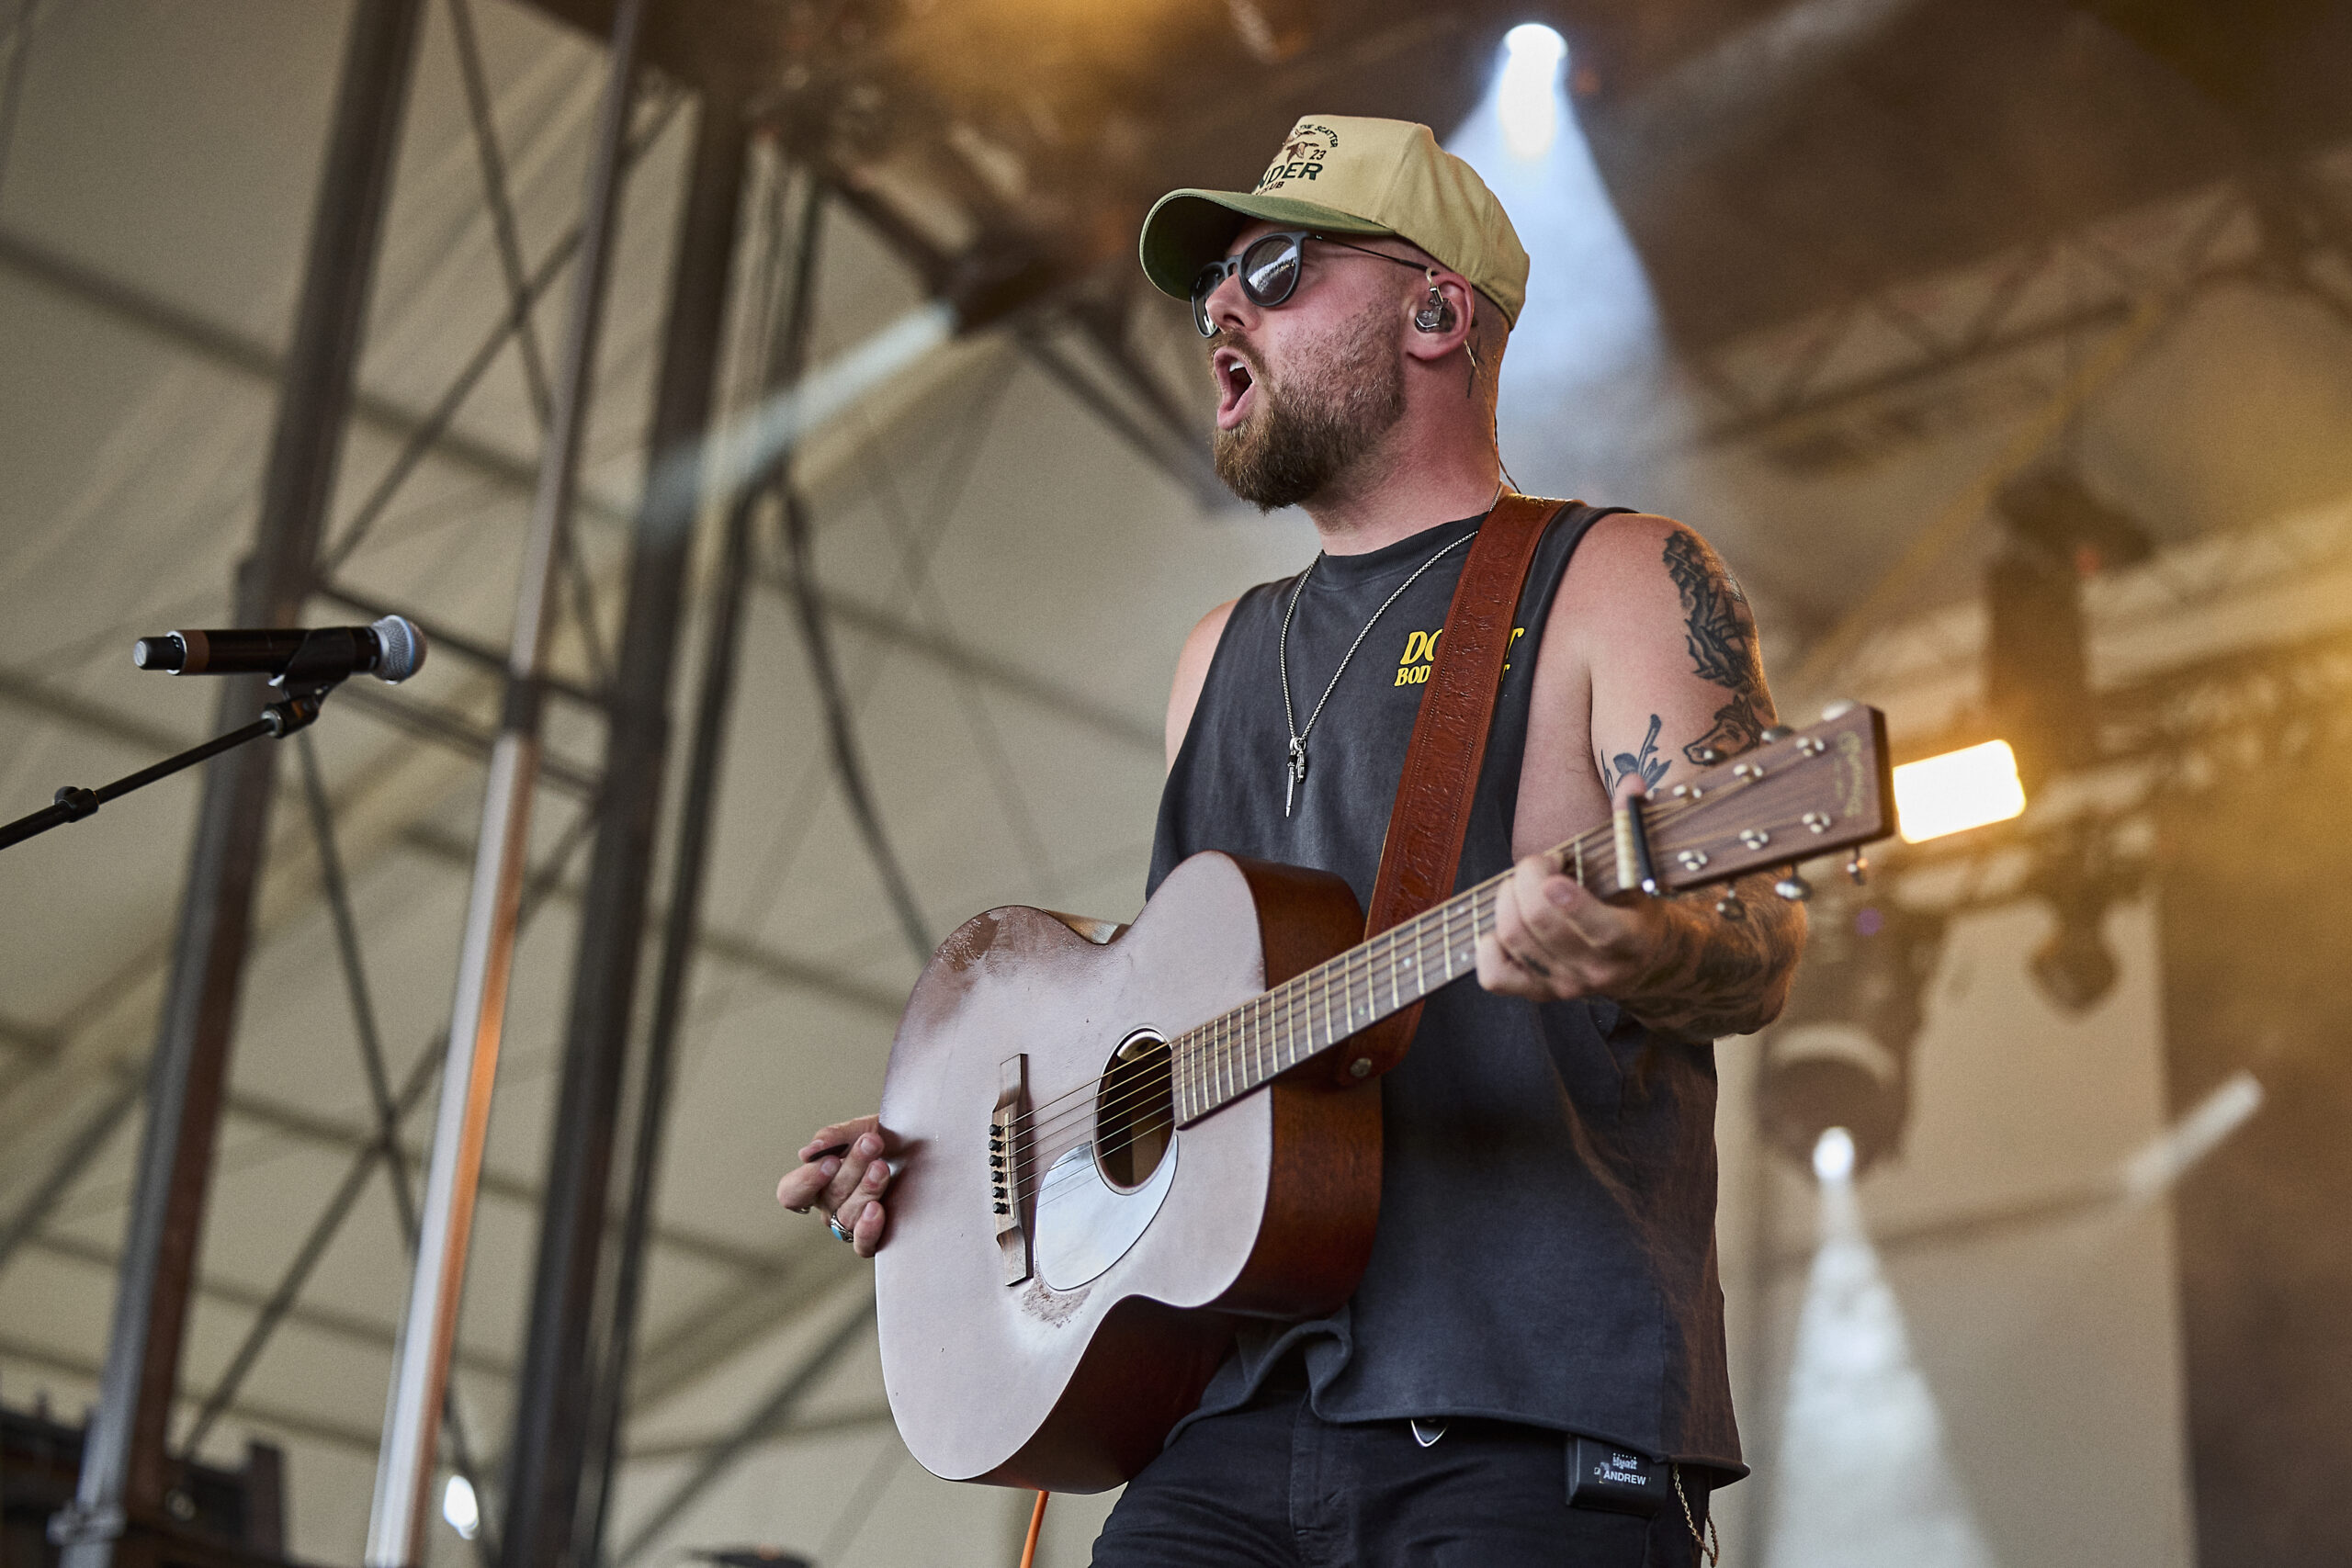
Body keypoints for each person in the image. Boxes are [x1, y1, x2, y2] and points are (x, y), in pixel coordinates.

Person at [776, 115, 1805, 1566]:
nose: (1222, 309)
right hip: (1232, 1413)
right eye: (1214, 285)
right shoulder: (1219, 653)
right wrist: (947, 1168)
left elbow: (1760, 937)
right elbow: (1150, 1034)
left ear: (1437, 314)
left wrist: (1640, 943)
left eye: (1275, 269)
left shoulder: (1618, 577)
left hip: (1523, 1416)